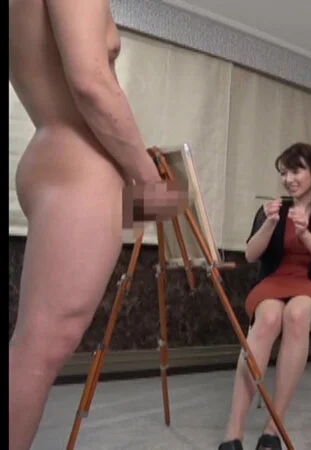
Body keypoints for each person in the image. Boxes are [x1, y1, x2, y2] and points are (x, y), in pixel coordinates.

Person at [8, 1, 187, 448]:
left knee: (30, 348)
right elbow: (91, 84)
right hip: (81, 168)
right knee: (37, 354)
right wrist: (151, 182)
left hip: (49, 152)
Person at [219, 143, 311, 450]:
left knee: (297, 314)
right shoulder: (272, 210)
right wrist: (269, 223)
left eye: (296, 171)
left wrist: (305, 234)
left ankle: (273, 428)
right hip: (275, 281)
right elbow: (251, 255)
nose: (289, 179)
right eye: (284, 173)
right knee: (267, 318)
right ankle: (233, 432)